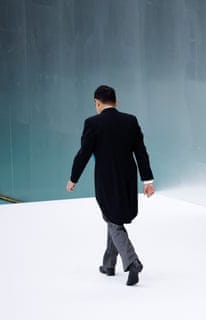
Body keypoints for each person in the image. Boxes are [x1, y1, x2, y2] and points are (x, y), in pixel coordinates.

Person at [66, 85, 155, 286]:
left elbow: (84, 154)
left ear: (97, 103)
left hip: (106, 179)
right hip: (128, 178)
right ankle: (108, 265)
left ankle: (132, 262)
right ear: (116, 101)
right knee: (112, 216)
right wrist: (147, 181)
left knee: (112, 218)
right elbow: (141, 152)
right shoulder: (130, 121)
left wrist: (73, 178)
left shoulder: (92, 123)